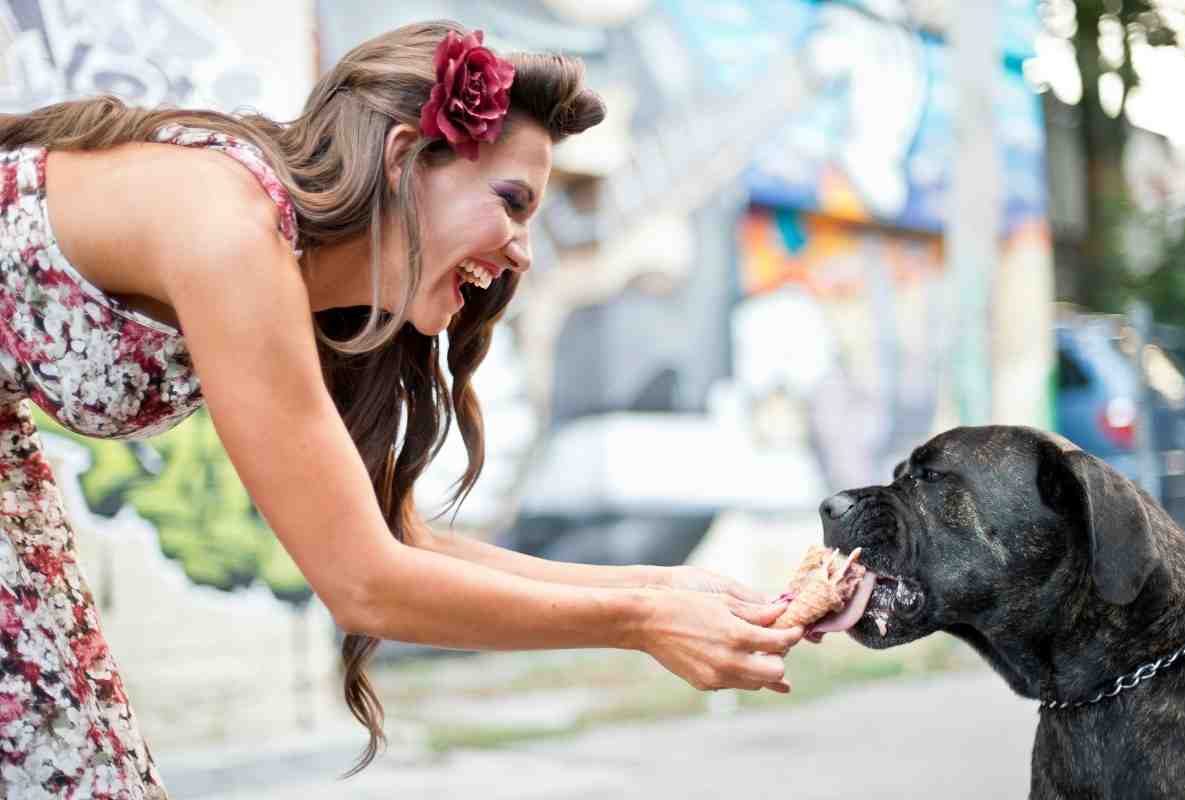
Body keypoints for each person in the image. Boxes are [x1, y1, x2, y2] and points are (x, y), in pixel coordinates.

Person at [0, 19, 806, 795]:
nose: (525, 249)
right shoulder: (227, 225)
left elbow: (395, 540)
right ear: (403, 160)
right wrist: (638, 621)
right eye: (514, 200)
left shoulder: (298, 279)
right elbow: (364, 583)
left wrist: (663, 588)